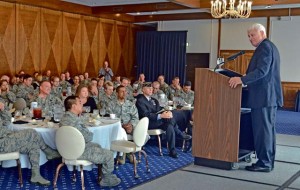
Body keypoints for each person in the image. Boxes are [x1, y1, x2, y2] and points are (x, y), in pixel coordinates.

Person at [229, 23, 283, 172]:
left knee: (263, 131)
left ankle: (264, 163)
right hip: (266, 97)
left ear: (262, 33)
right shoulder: (269, 46)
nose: (250, 38)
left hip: (264, 97)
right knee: (267, 130)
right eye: (248, 36)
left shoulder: (265, 47)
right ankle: (267, 161)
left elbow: (262, 71)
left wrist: (242, 80)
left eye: (252, 35)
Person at [59, 96, 121, 187]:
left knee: (97, 146)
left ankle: (101, 171)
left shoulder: (64, 118)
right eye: (79, 103)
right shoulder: (75, 121)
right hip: (77, 151)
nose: (82, 104)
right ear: (73, 106)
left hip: (67, 149)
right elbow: (88, 137)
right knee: (109, 154)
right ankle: (107, 180)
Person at [0, 100, 60, 186]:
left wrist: (3, 109)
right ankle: (48, 151)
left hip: (5, 138)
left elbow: (7, 122)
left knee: (33, 143)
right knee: (31, 133)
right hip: (2, 141)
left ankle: (36, 175)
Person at [135, 82, 191, 159]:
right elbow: (145, 114)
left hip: (158, 121)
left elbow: (159, 109)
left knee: (169, 125)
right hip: (147, 123)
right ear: (143, 90)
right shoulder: (140, 100)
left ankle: (172, 150)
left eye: (151, 88)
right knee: (168, 120)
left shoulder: (154, 100)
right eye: (148, 88)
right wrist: (161, 115)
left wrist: (166, 112)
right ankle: (180, 134)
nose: (151, 90)